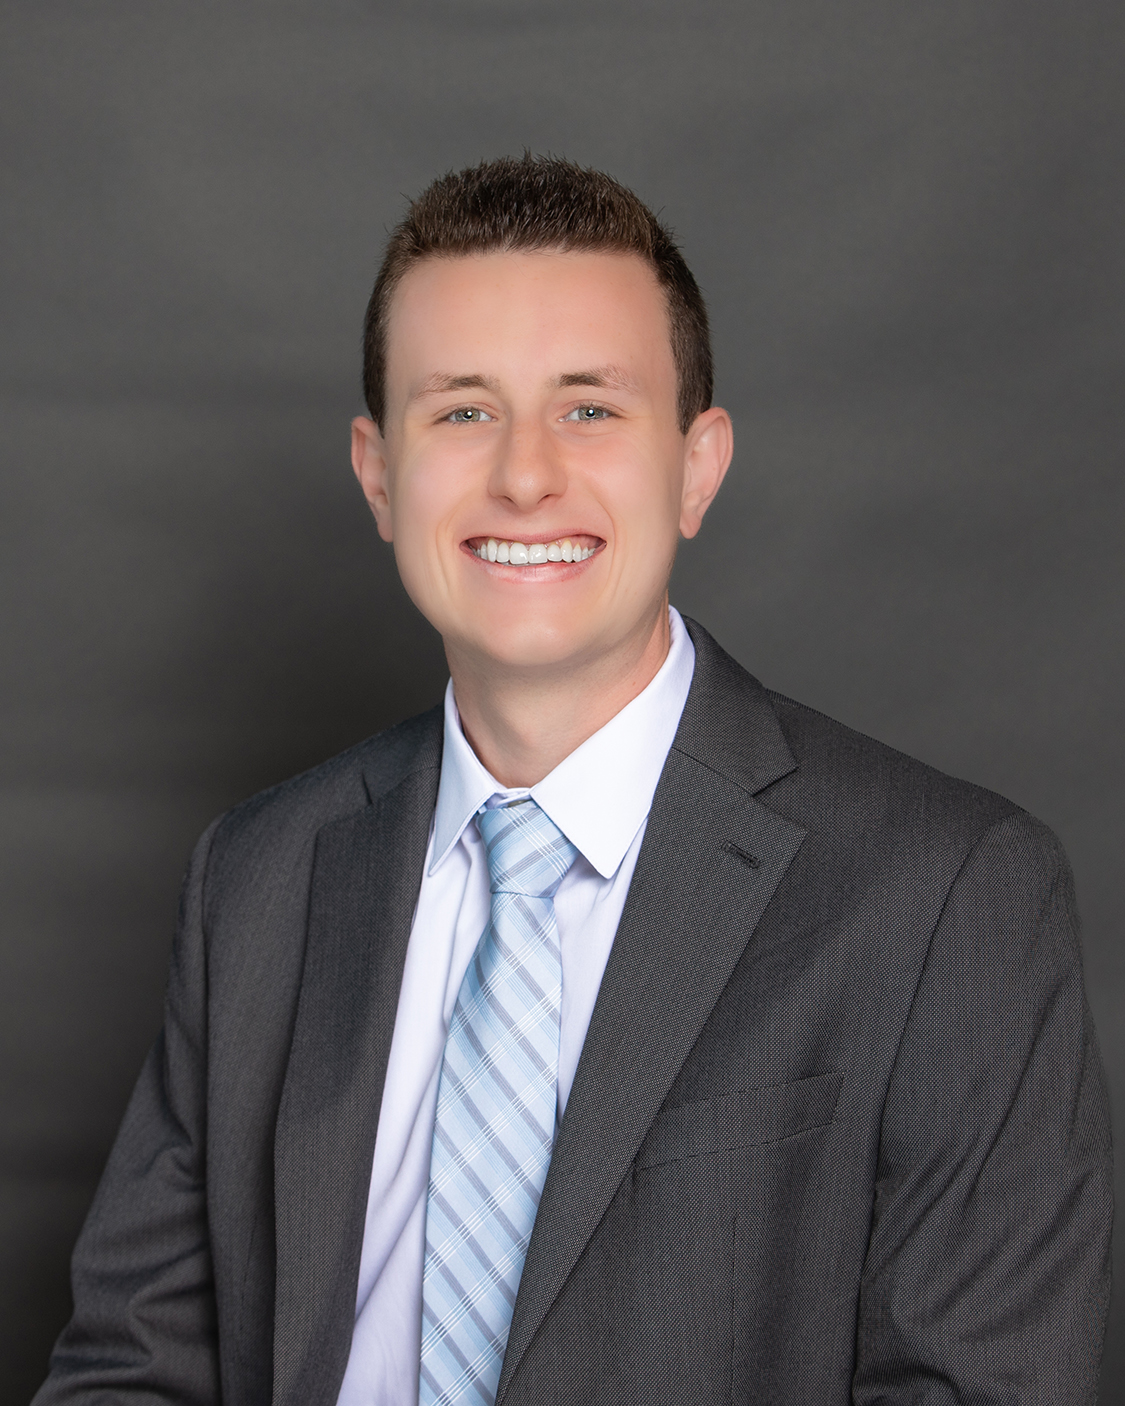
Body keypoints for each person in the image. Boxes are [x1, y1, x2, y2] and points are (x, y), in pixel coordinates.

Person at [35, 154, 1111, 1406]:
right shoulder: (257, 879)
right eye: (463, 411)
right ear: (379, 474)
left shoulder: (946, 895)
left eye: (590, 408)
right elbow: (132, 1367)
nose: (525, 474)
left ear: (697, 465)